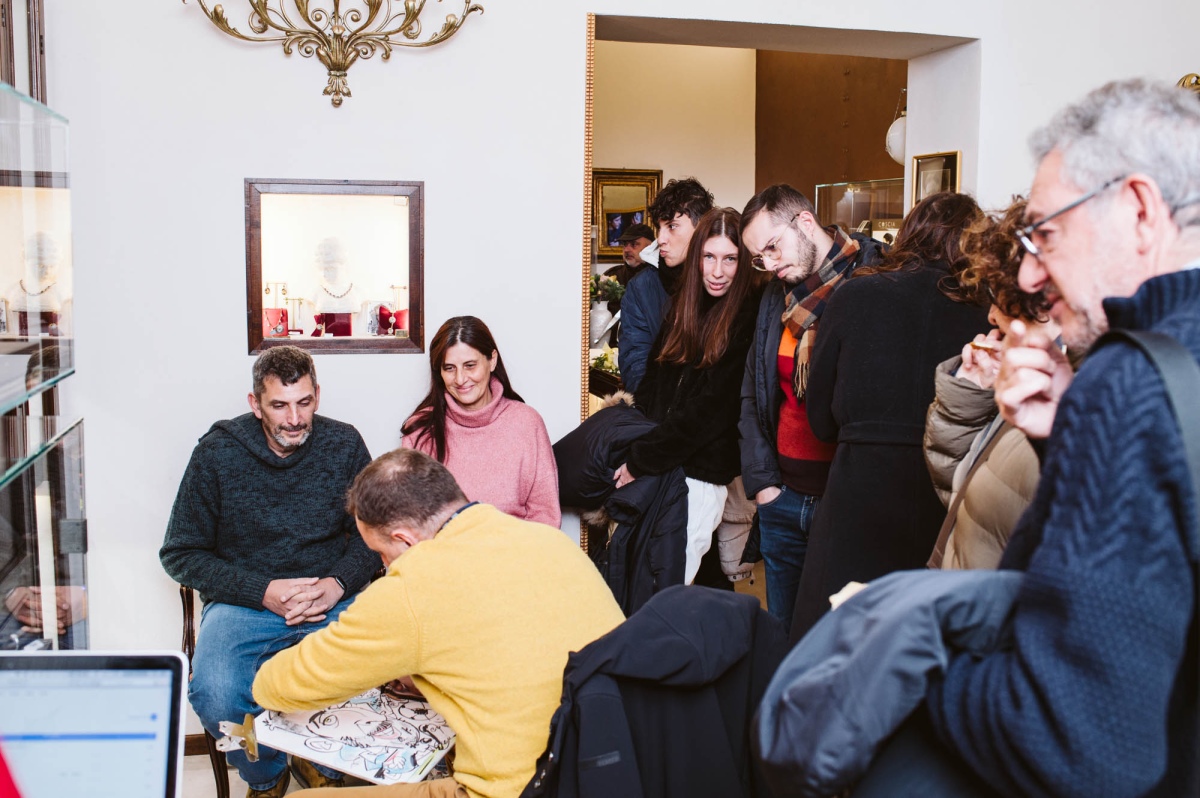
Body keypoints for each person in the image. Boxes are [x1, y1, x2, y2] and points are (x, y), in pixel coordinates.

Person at [915, 79, 1200, 796]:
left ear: (1140, 211)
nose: (1029, 272)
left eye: (1046, 233)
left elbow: (1073, 740)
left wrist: (916, 664)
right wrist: (1063, 439)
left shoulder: (1132, 380)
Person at [252, 448, 626, 798]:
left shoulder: (413, 586)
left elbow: (277, 686)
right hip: (617, 768)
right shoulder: (549, 540)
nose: (384, 565)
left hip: (522, 788)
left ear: (405, 540)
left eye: (381, 553)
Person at [160, 345, 378, 797]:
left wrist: (336, 584)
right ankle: (267, 773)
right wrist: (261, 590)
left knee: (379, 673)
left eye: (304, 403)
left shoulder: (344, 444)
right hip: (245, 604)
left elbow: (374, 535)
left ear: (318, 396)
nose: (294, 419)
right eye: (279, 405)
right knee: (216, 693)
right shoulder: (217, 453)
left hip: (329, 599)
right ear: (255, 403)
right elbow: (180, 552)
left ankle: (320, 761)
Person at [786, 192, 990, 640]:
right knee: (920, 648)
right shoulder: (987, 313)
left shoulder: (855, 295)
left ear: (909, 233)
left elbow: (820, 419)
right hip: (944, 498)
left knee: (835, 644)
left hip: (857, 494)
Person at [738, 184, 885, 634]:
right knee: (782, 637)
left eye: (772, 247)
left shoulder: (873, 280)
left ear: (804, 221)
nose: (769, 264)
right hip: (782, 499)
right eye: (759, 257)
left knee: (839, 639)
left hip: (843, 502)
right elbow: (753, 392)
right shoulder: (774, 297)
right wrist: (764, 485)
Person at [612, 208, 763, 587]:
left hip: (700, 476)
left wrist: (642, 457)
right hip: (663, 465)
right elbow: (652, 382)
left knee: (666, 587)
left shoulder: (747, 315)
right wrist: (639, 441)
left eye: (730, 259)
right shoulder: (685, 305)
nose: (718, 271)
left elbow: (712, 409)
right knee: (644, 581)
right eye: (709, 257)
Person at [923, 197, 1061, 570]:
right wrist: (969, 396)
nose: (990, 315)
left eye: (998, 297)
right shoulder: (1032, 375)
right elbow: (962, 495)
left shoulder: (1084, 393)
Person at [401, 316, 560, 527]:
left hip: (516, 547)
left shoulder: (527, 423)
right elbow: (410, 521)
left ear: (492, 360)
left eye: (470, 365)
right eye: (449, 368)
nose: (460, 379)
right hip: (444, 548)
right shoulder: (420, 430)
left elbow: (546, 516)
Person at [620, 177, 714, 391]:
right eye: (659, 227)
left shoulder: (722, 279)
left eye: (672, 226)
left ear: (702, 227)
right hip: (657, 407)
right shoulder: (640, 289)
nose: (661, 238)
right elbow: (635, 367)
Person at [599, 222, 655, 348]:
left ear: (650, 247)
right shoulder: (611, 276)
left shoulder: (661, 279)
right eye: (625, 244)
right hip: (610, 348)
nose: (627, 250)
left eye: (634, 244)